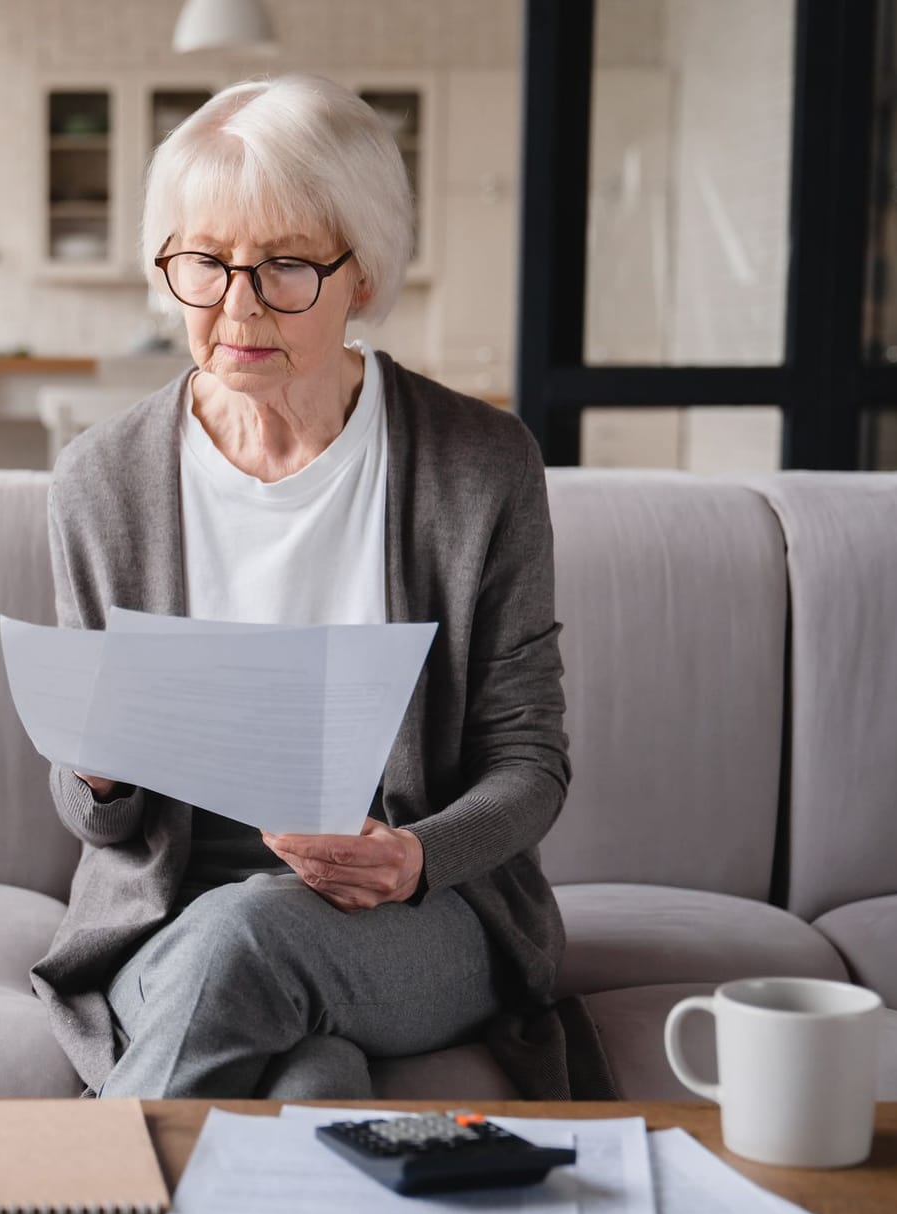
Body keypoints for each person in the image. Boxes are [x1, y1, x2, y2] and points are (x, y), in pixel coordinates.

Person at [30, 74, 611, 1101]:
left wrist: (416, 856)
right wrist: (101, 776)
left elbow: (531, 762)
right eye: (203, 264)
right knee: (309, 1074)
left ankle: (81, 1206)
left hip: (420, 910)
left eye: (286, 265)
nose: (237, 307)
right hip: (167, 907)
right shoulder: (102, 479)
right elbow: (98, 823)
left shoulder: (479, 466)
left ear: (362, 271)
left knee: (247, 942)